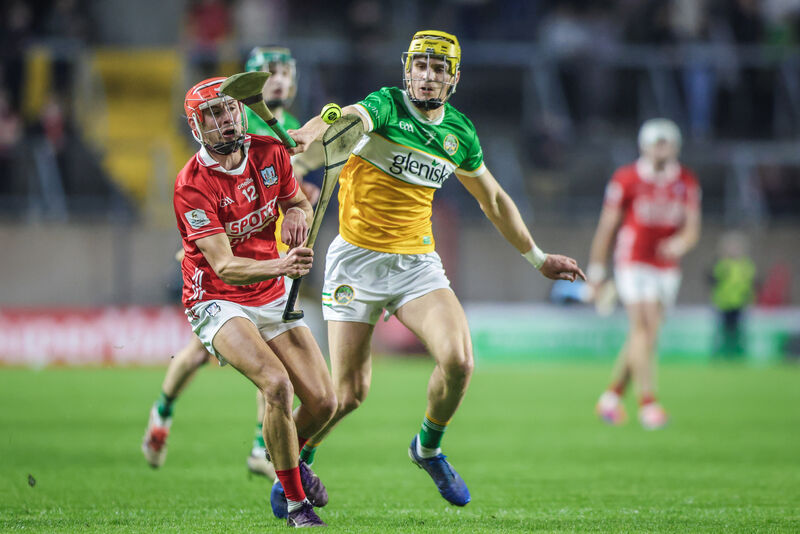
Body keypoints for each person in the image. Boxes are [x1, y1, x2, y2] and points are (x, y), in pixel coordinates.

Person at [284, 30, 585, 509]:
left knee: (460, 361)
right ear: (408, 70)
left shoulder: (459, 133)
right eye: (420, 66)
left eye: (438, 69)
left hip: (416, 265)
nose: (427, 77)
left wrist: (538, 257)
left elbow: (494, 200)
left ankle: (427, 448)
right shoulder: (385, 104)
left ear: (454, 79)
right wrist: (307, 139)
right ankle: (295, 464)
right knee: (346, 396)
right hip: (356, 263)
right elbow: (344, 120)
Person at [142, 47, 323, 482]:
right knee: (197, 355)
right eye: (267, 73)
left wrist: (301, 202)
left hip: (265, 253)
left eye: (284, 71)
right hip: (220, 253)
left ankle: (265, 448)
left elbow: (297, 183)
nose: (277, 80)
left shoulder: (287, 127)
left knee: (275, 372)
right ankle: (163, 411)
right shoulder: (234, 119)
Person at [588, 118, 701, 430]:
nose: (660, 149)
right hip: (633, 260)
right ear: (644, 146)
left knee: (645, 335)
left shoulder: (686, 182)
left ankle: (610, 398)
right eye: (656, 142)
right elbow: (607, 226)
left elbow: (692, 229)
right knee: (645, 326)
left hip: (666, 269)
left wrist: (679, 244)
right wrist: (596, 271)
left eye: (666, 142)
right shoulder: (627, 178)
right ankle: (648, 404)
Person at [710, 232, 756, 359]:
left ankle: (738, 355)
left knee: (739, 332)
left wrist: (748, 298)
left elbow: (749, 284)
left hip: (740, 304)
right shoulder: (722, 264)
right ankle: (721, 355)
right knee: (722, 332)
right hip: (723, 303)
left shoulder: (746, 265)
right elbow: (713, 279)